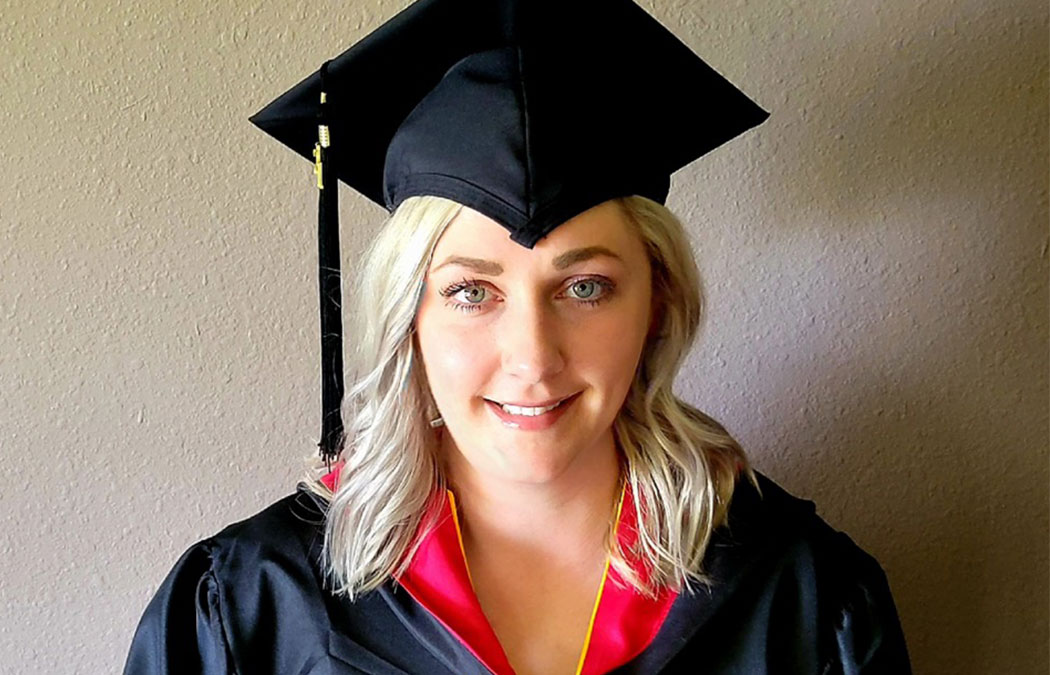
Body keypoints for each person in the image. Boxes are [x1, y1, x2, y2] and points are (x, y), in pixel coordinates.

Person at [123, 0, 912, 673]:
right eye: (471, 292)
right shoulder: (251, 608)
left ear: (658, 303)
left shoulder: (804, 597)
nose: (533, 357)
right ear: (409, 318)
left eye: (585, 287)